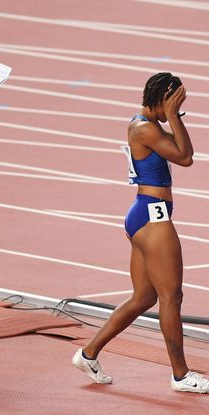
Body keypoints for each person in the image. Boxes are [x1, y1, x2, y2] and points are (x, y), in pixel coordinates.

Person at [72, 72, 209, 393]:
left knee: (144, 297)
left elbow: (180, 150)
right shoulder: (143, 128)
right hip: (153, 216)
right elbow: (186, 157)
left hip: (144, 214)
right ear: (161, 100)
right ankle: (180, 375)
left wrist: (173, 116)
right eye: (173, 106)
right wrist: (173, 116)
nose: (174, 114)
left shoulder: (149, 125)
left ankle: (87, 353)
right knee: (171, 297)